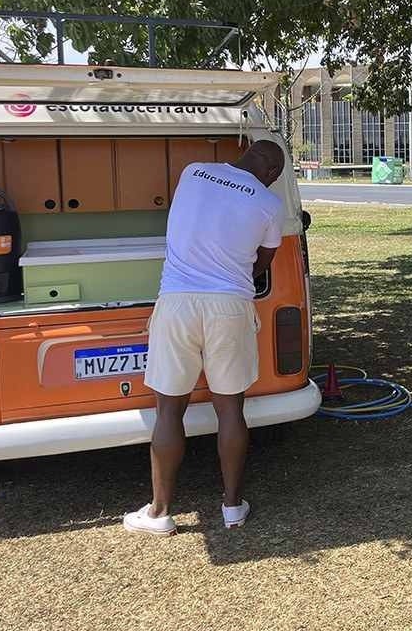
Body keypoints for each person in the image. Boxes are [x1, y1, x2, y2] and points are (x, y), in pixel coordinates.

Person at [124, 140, 286, 536]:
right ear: (270, 175)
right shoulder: (269, 204)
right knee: (230, 410)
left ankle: (159, 512)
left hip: (176, 301)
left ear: (244, 154)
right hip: (230, 304)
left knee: (168, 411)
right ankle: (232, 506)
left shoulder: (193, 171)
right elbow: (260, 264)